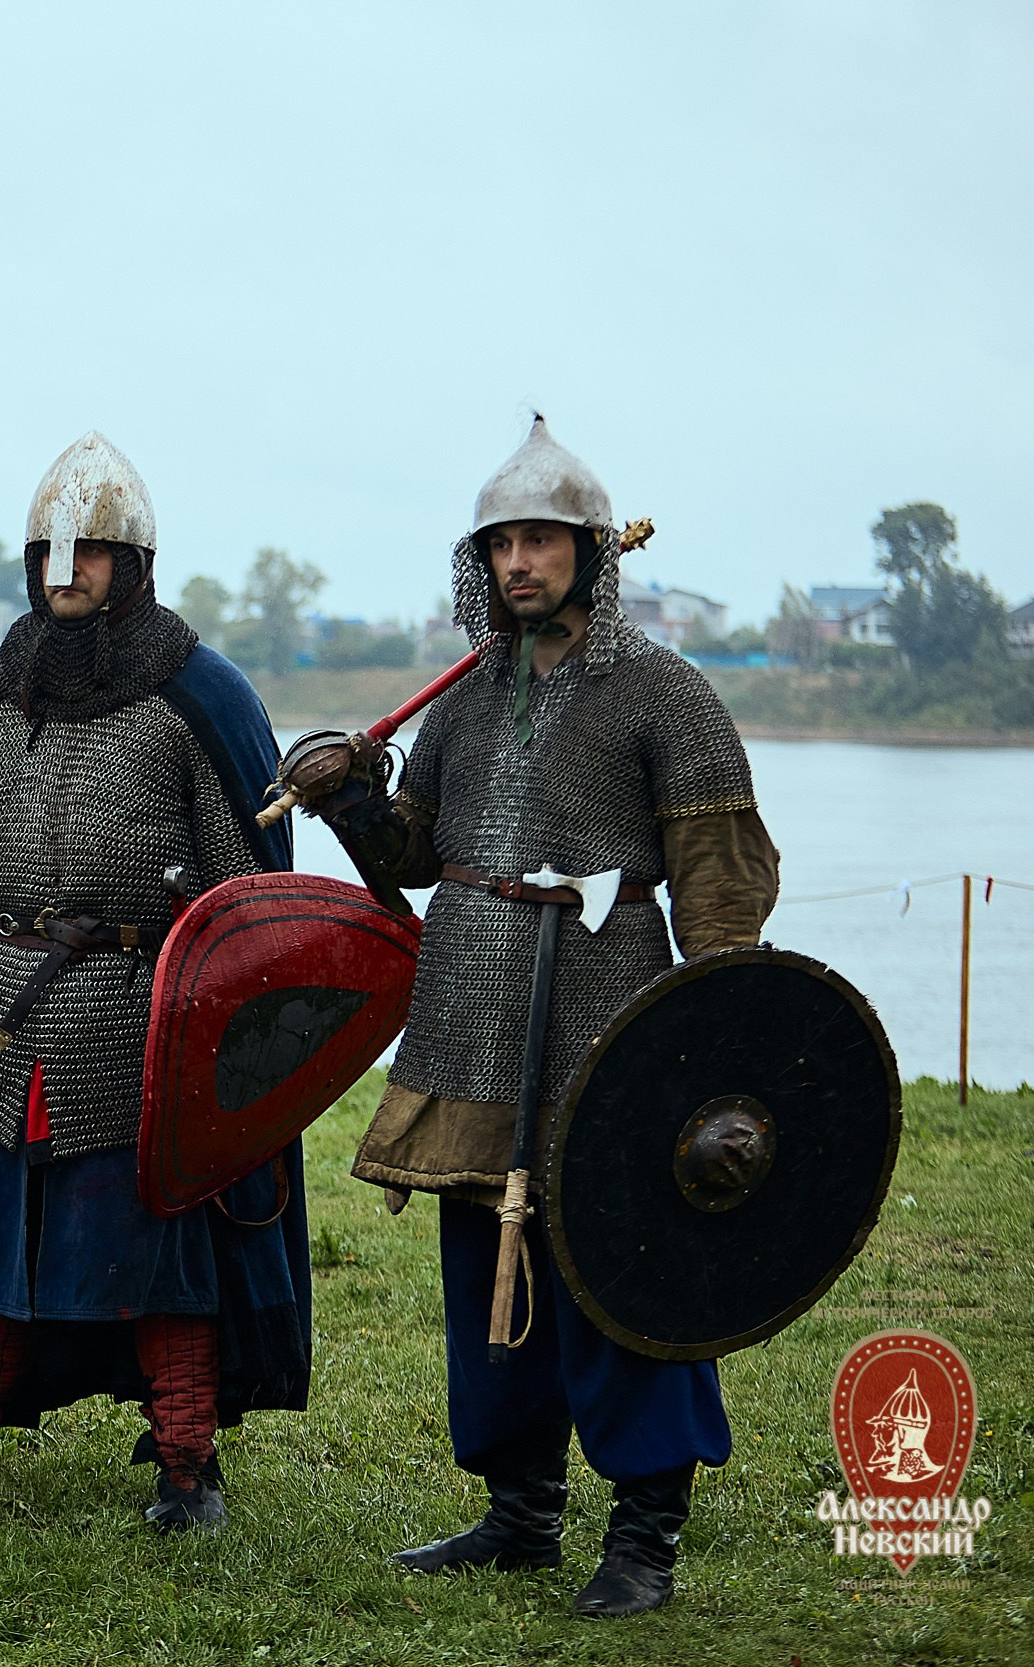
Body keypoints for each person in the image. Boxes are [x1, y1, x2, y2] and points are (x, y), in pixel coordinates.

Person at [0, 432, 311, 1531]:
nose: (65, 572)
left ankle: (186, 1464)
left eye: (89, 552)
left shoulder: (198, 695)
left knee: (152, 1245)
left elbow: (249, 900)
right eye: (49, 553)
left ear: (133, 562)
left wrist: (230, 1044)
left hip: (140, 1018)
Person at [337, 416, 779, 1617]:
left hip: (608, 1011)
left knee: (619, 1264)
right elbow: (414, 858)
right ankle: (519, 1510)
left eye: (539, 540)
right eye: (500, 544)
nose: (517, 562)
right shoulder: (468, 698)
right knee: (485, 1259)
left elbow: (720, 883)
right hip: (476, 1010)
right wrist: (352, 801)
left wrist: (717, 1034)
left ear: (590, 549)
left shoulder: (663, 693)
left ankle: (644, 1534)